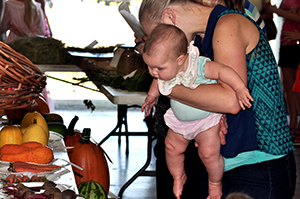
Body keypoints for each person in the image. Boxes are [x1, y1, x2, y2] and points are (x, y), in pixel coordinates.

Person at [137, 0, 296, 198]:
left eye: (157, 35)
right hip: (227, 162)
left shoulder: (227, 24)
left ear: (170, 16)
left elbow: (230, 100)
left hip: (259, 164)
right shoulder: (199, 40)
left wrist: (166, 87)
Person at [141, 24, 253, 199]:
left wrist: (239, 88)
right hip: (180, 121)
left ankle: (215, 183)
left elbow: (223, 71)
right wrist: (150, 96)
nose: (153, 72)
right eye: (149, 66)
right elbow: (158, 82)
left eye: (158, 68)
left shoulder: (198, 65)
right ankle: (178, 176)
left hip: (205, 121)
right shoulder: (162, 71)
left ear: (180, 60)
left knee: (209, 154)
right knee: (170, 147)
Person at [270, 0, 300, 141]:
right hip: (286, 42)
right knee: (287, 84)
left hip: (297, 42)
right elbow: (283, 11)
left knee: (297, 87)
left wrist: (276, 11)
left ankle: (298, 125)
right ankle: (292, 123)